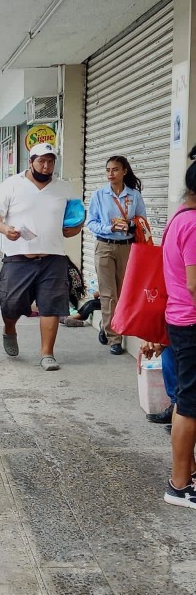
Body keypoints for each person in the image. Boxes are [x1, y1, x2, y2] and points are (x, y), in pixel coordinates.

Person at [0, 142, 84, 371]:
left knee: (51, 305)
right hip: (18, 257)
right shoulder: (12, 185)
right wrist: (5, 229)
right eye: (41, 161)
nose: (46, 166)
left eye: (50, 161)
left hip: (53, 257)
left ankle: (47, 353)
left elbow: (76, 220)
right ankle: (9, 329)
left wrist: (74, 229)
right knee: (11, 303)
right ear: (31, 162)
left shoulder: (65, 188)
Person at [161, 144, 196, 509]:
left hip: (179, 319)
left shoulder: (179, 217)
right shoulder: (195, 224)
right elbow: (194, 284)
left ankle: (186, 474)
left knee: (186, 399)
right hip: (191, 320)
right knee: (189, 404)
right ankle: (179, 485)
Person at [85, 156, 148, 355]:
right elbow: (91, 222)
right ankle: (114, 337)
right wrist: (109, 226)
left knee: (123, 292)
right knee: (107, 293)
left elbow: (142, 221)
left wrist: (129, 224)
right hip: (104, 245)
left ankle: (107, 325)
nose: (110, 174)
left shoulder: (134, 195)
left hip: (127, 247)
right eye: (108, 170)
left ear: (124, 172)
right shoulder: (99, 195)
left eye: (115, 170)